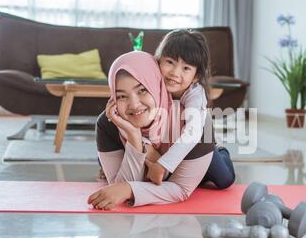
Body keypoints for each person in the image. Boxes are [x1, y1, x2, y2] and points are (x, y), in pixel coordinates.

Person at [88, 51, 214, 210]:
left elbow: (180, 189)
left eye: (142, 90)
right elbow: (116, 190)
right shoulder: (108, 122)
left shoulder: (194, 121)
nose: (134, 105)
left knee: (222, 177)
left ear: (157, 86)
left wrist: (130, 189)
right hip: (160, 161)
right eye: (121, 96)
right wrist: (133, 135)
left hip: (199, 154)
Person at [147, 29, 235, 189]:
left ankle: (221, 150)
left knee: (225, 179)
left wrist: (163, 165)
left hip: (199, 140)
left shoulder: (195, 93)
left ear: (196, 76)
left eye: (186, 68)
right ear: (158, 60)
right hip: (168, 137)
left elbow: (192, 134)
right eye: (169, 62)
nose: (175, 73)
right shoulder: (152, 84)